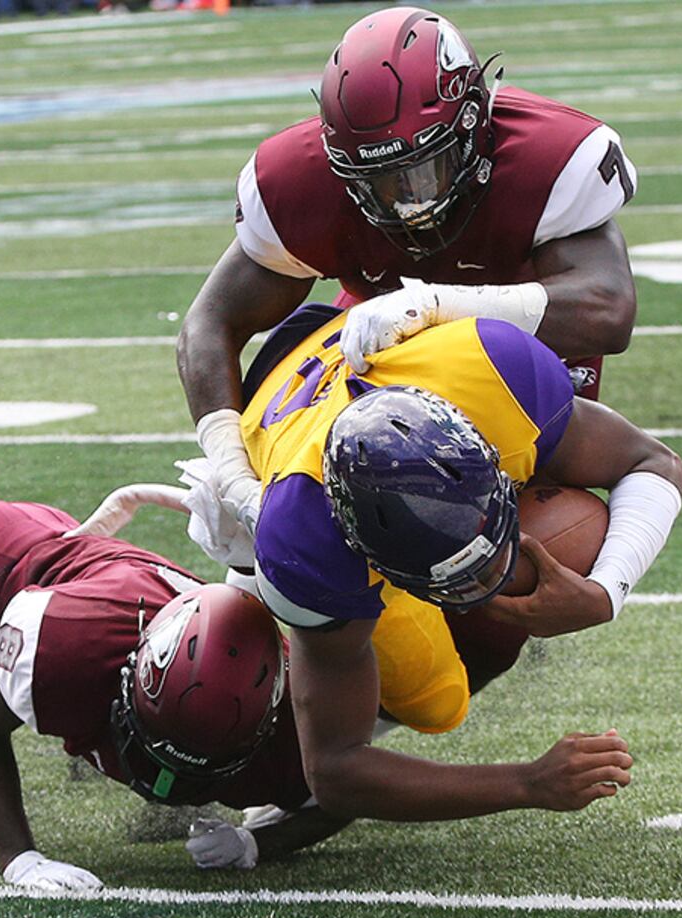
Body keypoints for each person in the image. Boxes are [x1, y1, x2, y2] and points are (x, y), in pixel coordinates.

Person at [0, 378, 638, 877]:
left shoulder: (290, 706)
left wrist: (260, 842)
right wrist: (17, 855)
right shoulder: (70, 653)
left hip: (70, 569)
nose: (162, 772)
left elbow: (335, 782)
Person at [204, 300, 682, 825]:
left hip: (367, 353)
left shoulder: (494, 373)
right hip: (282, 434)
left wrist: (606, 591)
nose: (481, 584)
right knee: (435, 700)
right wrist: (527, 782)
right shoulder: (306, 543)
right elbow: (334, 771)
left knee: (560, 557)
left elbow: (653, 461)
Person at [177, 5, 639, 539]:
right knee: (333, 532)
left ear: (473, 123)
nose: (405, 203)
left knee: (540, 536)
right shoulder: (302, 179)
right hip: (381, 355)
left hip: (521, 361)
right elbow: (209, 323)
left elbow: (607, 311)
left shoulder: (547, 159)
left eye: (423, 171)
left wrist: (432, 306)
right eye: (377, 180)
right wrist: (232, 469)